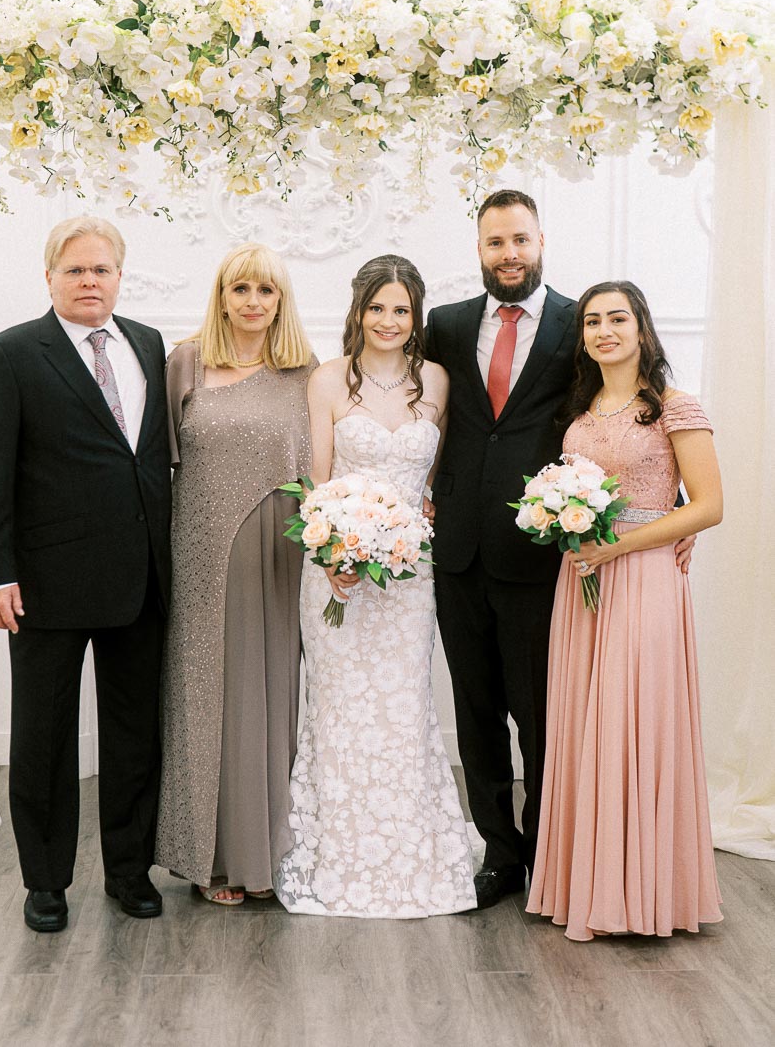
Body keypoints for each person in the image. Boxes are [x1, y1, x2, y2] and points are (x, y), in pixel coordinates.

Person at [0, 216, 172, 933]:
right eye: (75, 270)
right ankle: (45, 883)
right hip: (45, 586)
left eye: (102, 270)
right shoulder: (12, 354)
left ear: (119, 275)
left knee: (135, 732)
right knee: (44, 738)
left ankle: (128, 871)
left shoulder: (148, 344)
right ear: (49, 276)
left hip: (141, 578)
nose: (90, 282)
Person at [274, 255, 478, 918]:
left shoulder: (441, 382)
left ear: (416, 316)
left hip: (411, 580)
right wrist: (332, 549)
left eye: (402, 309)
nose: (389, 321)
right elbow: (315, 481)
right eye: (378, 307)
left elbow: (440, 481)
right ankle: (336, 852)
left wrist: (425, 517)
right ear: (358, 310)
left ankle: (411, 851)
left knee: (403, 709)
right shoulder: (328, 380)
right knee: (338, 711)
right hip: (339, 572)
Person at [526, 281, 723, 940]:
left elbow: (707, 506)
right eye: (592, 320)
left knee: (636, 720)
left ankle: (646, 893)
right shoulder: (578, 409)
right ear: (581, 335)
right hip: (581, 584)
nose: (604, 329)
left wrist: (624, 544)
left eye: (617, 318)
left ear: (642, 326)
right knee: (589, 724)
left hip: (643, 582)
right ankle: (590, 886)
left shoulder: (673, 405)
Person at [424, 189, 578, 909]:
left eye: (520, 239)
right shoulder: (447, 325)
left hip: (538, 556)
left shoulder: (582, 322)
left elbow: (626, 401)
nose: (509, 254)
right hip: (456, 550)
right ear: (478, 249)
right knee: (475, 711)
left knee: (540, 713)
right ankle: (499, 852)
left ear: (541, 239)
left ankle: (546, 846)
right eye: (495, 243)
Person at [156, 244, 316, 906]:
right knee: (205, 696)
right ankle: (211, 860)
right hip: (199, 552)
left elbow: (322, 464)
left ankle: (268, 853)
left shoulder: (306, 372)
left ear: (282, 301)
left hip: (279, 551)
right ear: (222, 296)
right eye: (241, 288)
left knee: (271, 693)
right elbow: (158, 463)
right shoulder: (185, 361)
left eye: (267, 291)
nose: (253, 301)